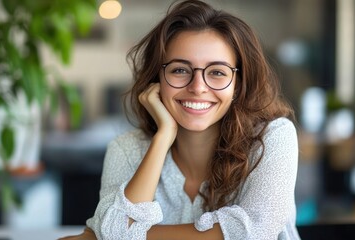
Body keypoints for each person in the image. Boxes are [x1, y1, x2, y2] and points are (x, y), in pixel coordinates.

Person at [60, 0, 300, 239]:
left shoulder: (272, 137)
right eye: (180, 70)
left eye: (217, 72)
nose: (198, 87)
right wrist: (164, 135)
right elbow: (113, 230)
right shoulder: (126, 150)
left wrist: (126, 235)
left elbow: (253, 232)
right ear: (157, 80)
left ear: (238, 85)